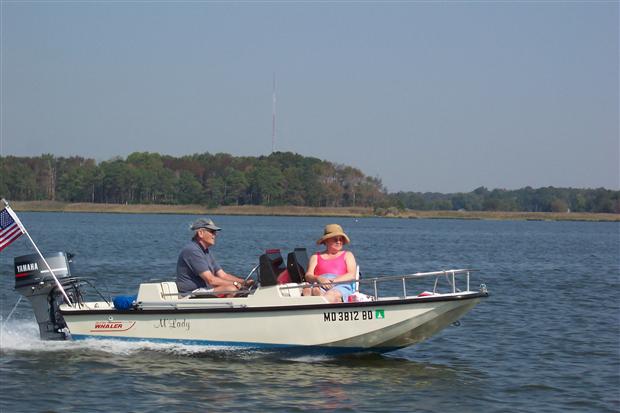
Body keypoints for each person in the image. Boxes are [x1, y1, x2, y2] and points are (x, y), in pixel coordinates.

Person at [176, 218, 252, 297]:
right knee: (231, 289)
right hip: (191, 293)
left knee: (236, 288)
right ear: (200, 233)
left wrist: (244, 282)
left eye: (215, 232)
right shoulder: (192, 251)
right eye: (212, 232)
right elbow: (211, 280)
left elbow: (223, 275)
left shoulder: (206, 251)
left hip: (203, 290)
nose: (215, 235)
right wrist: (235, 284)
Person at [304, 224, 357, 303]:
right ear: (326, 241)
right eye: (335, 239)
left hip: (341, 285)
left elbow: (351, 274)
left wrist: (333, 281)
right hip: (320, 284)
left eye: (341, 239)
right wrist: (319, 278)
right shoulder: (315, 256)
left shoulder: (348, 255)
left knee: (331, 294)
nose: (339, 242)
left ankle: (322, 300)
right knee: (307, 290)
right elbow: (308, 275)